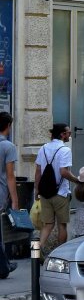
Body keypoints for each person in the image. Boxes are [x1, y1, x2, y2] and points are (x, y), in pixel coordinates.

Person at [34, 123, 80, 249]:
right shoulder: (65, 150)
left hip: (45, 193)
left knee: (47, 224)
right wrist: (77, 180)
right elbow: (64, 172)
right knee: (62, 225)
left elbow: (38, 171)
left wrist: (37, 190)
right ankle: (60, 254)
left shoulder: (43, 148)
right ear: (62, 134)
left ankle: (36, 253)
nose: (70, 135)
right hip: (61, 193)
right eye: (68, 133)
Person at [0, 112, 18, 278]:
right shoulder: (8, 147)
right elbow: (10, 175)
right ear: (8, 126)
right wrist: (15, 200)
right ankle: (4, 267)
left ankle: (4, 265)